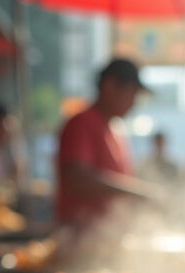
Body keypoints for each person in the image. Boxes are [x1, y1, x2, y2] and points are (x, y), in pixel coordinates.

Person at [55, 57, 154, 227]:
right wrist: (138, 192)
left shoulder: (115, 130)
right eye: (131, 94)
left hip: (107, 233)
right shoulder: (82, 123)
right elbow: (76, 178)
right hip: (82, 234)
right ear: (110, 86)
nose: (133, 103)